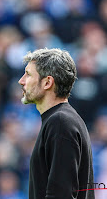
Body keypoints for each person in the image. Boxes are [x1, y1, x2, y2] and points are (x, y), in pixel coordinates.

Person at [18, 48, 95, 199]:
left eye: (28, 74)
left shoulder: (60, 122)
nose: (21, 81)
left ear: (47, 82)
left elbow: (61, 194)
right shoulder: (62, 120)